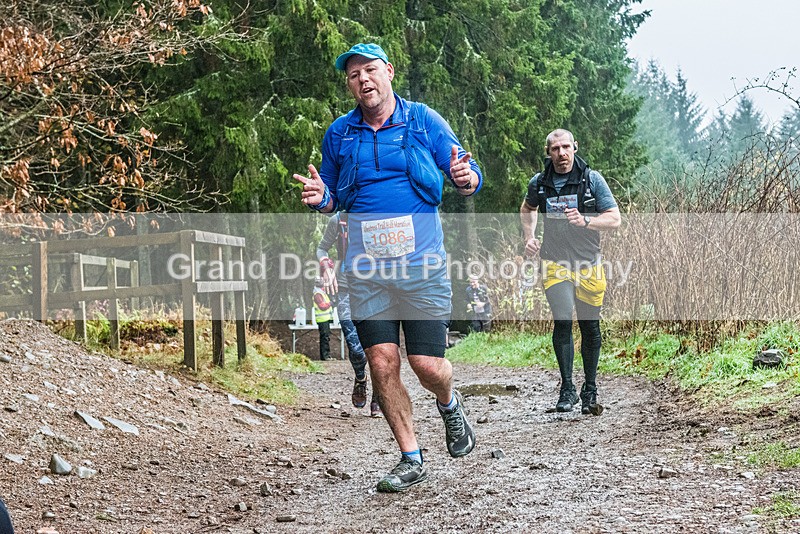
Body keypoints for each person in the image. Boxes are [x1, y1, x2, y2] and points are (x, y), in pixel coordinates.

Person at [294, 43, 482, 492]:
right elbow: (333, 196)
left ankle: (449, 403)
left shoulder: (423, 120)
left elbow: (467, 173)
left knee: (427, 365)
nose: (363, 79)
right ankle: (410, 456)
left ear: (389, 72)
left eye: (370, 70)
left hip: (422, 268)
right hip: (367, 273)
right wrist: (322, 199)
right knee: (381, 362)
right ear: (349, 84)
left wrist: (467, 179)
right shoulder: (340, 134)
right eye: (354, 74)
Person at [519, 129, 620, 415]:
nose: (561, 153)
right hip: (555, 262)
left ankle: (590, 389)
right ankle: (567, 389)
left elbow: (614, 218)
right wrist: (529, 237)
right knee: (562, 320)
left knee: (590, 326)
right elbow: (527, 208)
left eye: (566, 147)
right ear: (548, 152)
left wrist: (586, 220)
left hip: (589, 263)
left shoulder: (592, 180)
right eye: (555, 149)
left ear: (575, 147)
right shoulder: (539, 183)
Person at [317, 212, 382, 417]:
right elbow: (321, 248)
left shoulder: (377, 213)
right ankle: (361, 378)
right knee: (356, 348)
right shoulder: (338, 219)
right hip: (346, 290)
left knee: (379, 348)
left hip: (377, 289)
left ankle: (378, 396)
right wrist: (326, 267)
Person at [312, 277, 333, 361]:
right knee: (324, 338)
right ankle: (325, 356)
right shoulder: (318, 294)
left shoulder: (321, 292)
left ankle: (326, 356)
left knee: (325, 337)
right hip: (322, 319)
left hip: (325, 319)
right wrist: (330, 303)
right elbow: (322, 306)